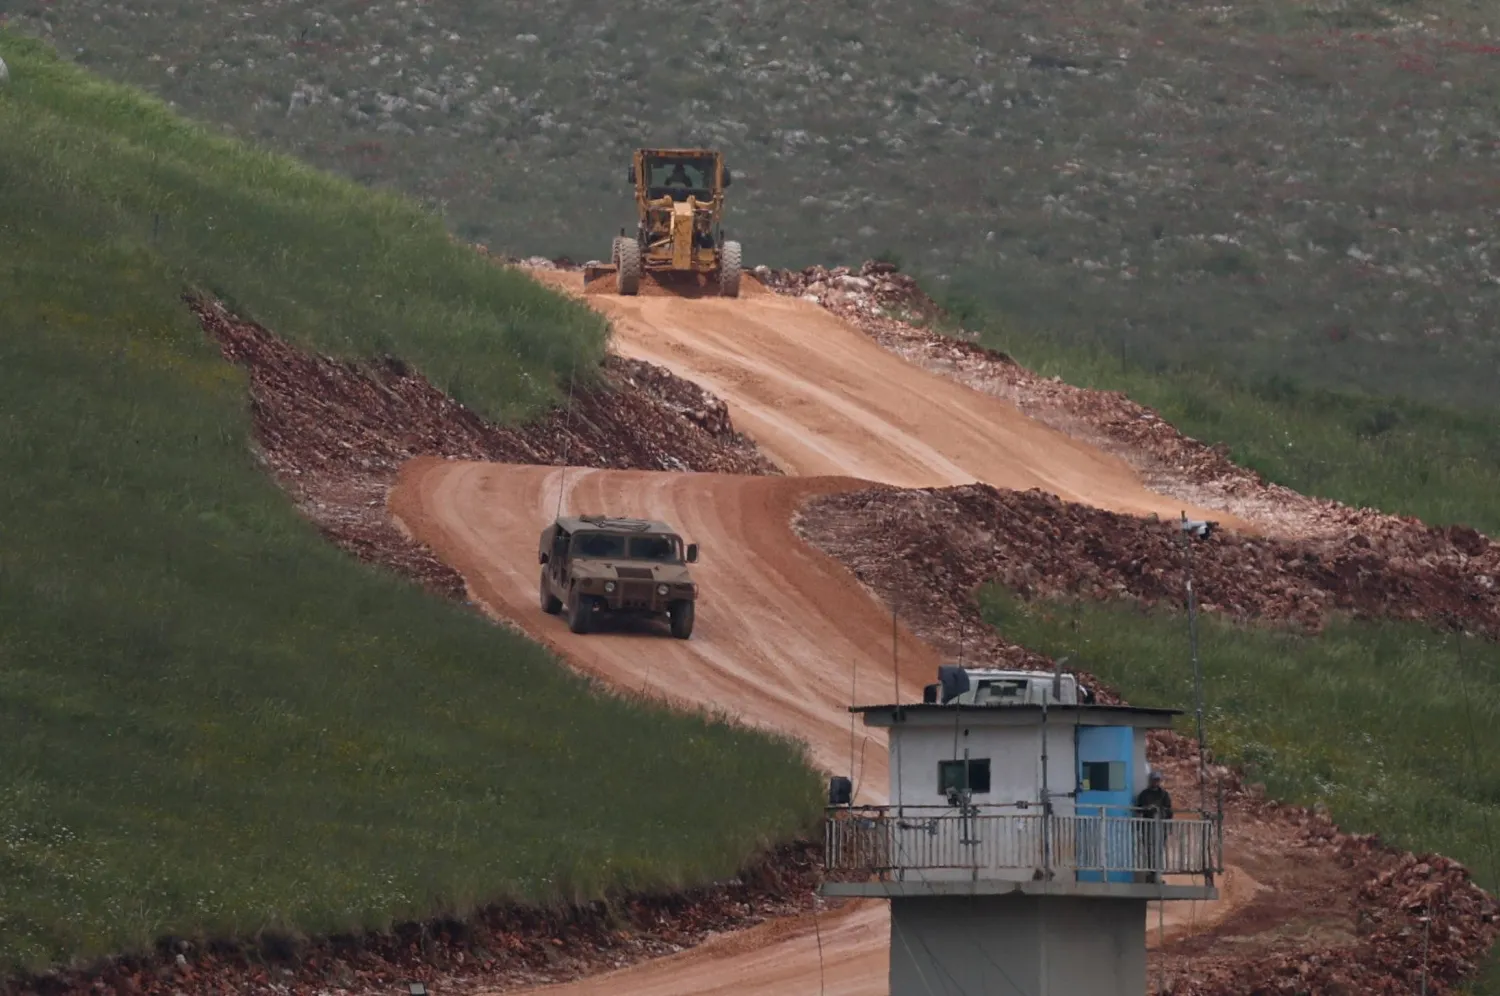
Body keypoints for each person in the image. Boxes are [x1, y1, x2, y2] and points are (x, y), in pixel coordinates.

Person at [1136, 771, 1173, 882]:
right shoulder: (1144, 794)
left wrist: (1162, 813)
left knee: (1159, 850)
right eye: (1154, 780)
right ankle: (1151, 873)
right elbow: (1139, 809)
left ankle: (1157, 873)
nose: (1156, 782)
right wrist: (1148, 809)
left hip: (1160, 826)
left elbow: (1169, 811)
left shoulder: (1164, 794)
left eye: (1157, 780)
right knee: (1149, 849)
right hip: (1147, 826)